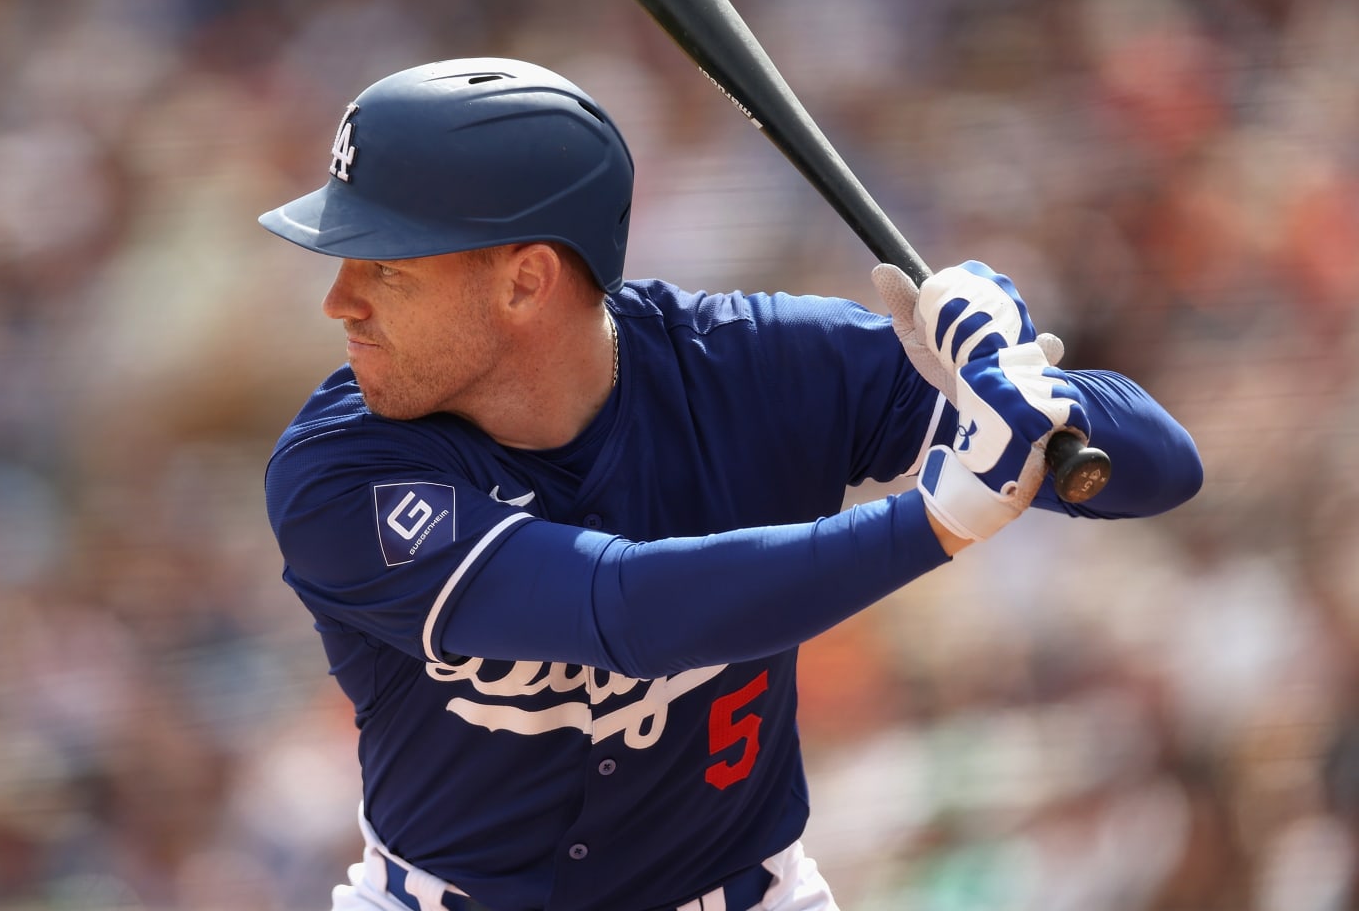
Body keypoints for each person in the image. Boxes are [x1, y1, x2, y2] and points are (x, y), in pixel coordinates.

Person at [257, 57, 1202, 911]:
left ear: (525, 281)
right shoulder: (339, 471)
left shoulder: (751, 366)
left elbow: (1163, 469)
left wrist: (1019, 388)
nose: (340, 301)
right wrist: (933, 523)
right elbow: (625, 609)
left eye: (384, 266)